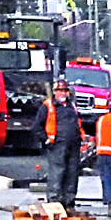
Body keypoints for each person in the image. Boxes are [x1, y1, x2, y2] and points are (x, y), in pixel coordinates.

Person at [41, 79, 85, 209]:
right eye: (60, 90)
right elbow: (37, 126)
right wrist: (46, 140)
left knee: (72, 172)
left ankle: (69, 199)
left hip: (73, 144)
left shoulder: (72, 106)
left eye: (65, 90)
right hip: (57, 145)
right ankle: (54, 200)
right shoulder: (48, 106)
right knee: (57, 172)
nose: (62, 93)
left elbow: (78, 122)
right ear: (55, 92)